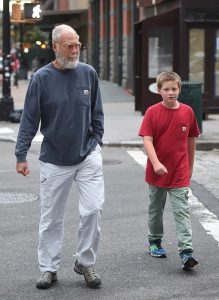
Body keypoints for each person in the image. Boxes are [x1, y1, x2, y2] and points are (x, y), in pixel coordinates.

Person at [15, 24, 105, 289]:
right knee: (51, 217)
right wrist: (21, 154)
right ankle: (48, 268)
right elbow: (29, 119)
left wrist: (97, 140)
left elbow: (97, 112)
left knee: (93, 210)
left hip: (88, 153)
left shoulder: (88, 73)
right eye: (69, 45)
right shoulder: (41, 78)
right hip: (54, 158)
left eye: (78, 44)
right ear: (55, 46)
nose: (76, 50)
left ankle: (85, 262)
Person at [138, 71, 200, 270]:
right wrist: (156, 163)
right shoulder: (152, 112)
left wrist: (189, 167)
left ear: (179, 89)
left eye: (174, 89)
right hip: (156, 172)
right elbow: (147, 140)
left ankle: (186, 252)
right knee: (156, 210)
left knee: (182, 211)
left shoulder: (188, 112)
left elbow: (191, 140)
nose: (171, 92)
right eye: (166, 89)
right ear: (159, 91)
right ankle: (155, 241)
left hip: (179, 172)